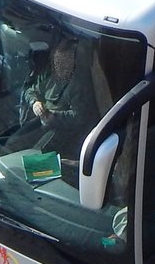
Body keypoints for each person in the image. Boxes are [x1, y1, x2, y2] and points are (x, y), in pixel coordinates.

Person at [21, 36, 99, 182]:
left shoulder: (79, 84)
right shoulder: (50, 73)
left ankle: (37, 184)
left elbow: (81, 117)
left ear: (72, 63)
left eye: (64, 61)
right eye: (56, 60)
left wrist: (53, 116)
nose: (58, 65)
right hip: (39, 122)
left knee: (37, 158)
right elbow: (31, 90)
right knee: (14, 142)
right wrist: (35, 102)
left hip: (61, 130)